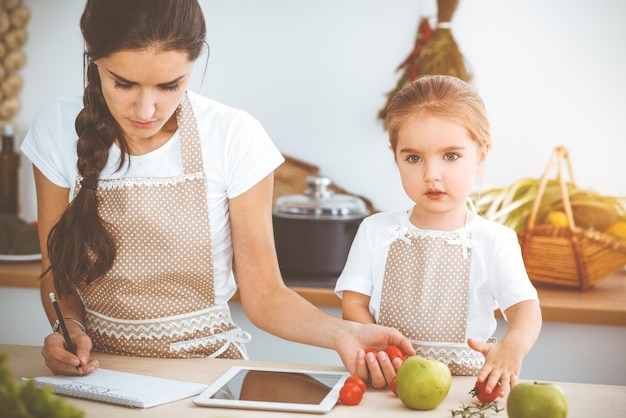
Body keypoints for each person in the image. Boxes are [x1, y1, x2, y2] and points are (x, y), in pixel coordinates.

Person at [21, 0, 413, 382]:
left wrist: (342, 333)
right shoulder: (56, 128)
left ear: (194, 64)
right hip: (99, 376)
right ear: (92, 55)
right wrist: (68, 329)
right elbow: (58, 276)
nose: (145, 109)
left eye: (169, 85)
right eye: (123, 83)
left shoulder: (234, 136)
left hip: (210, 375)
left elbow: (265, 297)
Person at [334, 75, 542, 397]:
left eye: (450, 156)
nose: (431, 174)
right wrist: (379, 353)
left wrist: (512, 347)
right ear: (396, 157)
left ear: (482, 154)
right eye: (414, 158)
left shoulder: (495, 240)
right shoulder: (375, 230)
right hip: (386, 387)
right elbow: (354, 303)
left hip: (464, 393)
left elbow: (525, 309)